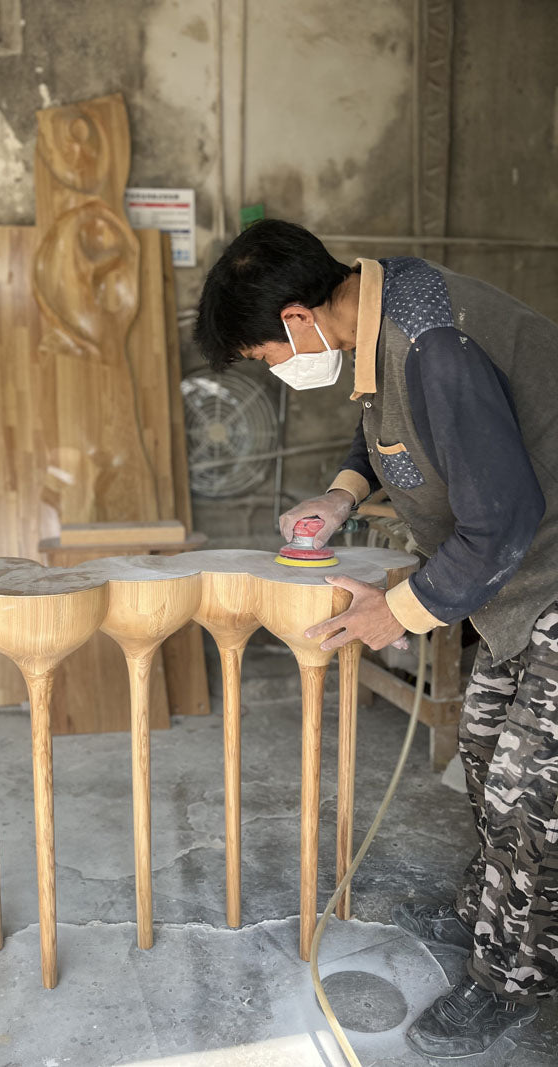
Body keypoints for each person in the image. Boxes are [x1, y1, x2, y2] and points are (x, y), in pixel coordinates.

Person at [194, 219, 558, 1060]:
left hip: (541, 569)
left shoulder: (433, 342)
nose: (280, 373)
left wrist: (398, 609)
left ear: (296, 321)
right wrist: (341, 494)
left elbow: (503, 520)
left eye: (266, 359)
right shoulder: (376, 310)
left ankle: (516, 970)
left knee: (531, 790)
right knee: (481, 748)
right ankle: (490, 907)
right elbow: (385, 430)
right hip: (513, 581)